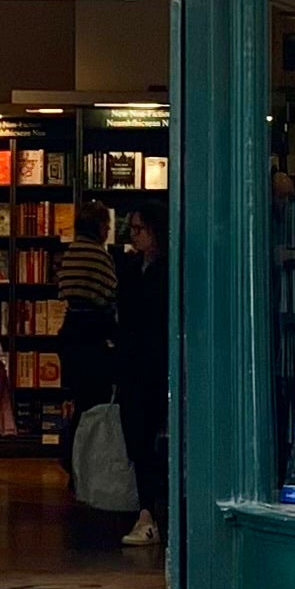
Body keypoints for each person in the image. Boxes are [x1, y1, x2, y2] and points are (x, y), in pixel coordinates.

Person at [113, 210, 171, 546]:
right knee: (137, 438)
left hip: (156, 362)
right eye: (131, 228)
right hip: (134, 363)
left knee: (154, 439)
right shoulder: (132, 268)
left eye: (140, 228)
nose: (134, 235)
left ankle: (151, 512)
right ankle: (146, 511)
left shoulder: (164, 270)